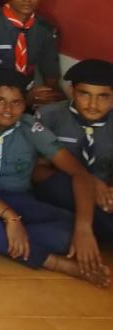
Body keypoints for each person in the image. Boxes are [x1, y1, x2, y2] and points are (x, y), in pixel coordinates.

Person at [0, 68, 109, 286]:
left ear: (25, 104)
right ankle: (56, 263)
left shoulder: (31, 127)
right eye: (0, 100)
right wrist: (11, 219)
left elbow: (78, 172)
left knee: (69, 230)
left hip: (18, 199)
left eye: (16, 103)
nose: (8, 110)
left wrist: (84, 229)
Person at [35, 59, 113, 244]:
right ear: (72, 91)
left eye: (103, 96)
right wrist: (88, 182)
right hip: (63, 188)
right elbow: (36, 172)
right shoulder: (49, 116)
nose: (93, 104)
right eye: (85, 94)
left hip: (104, 194)